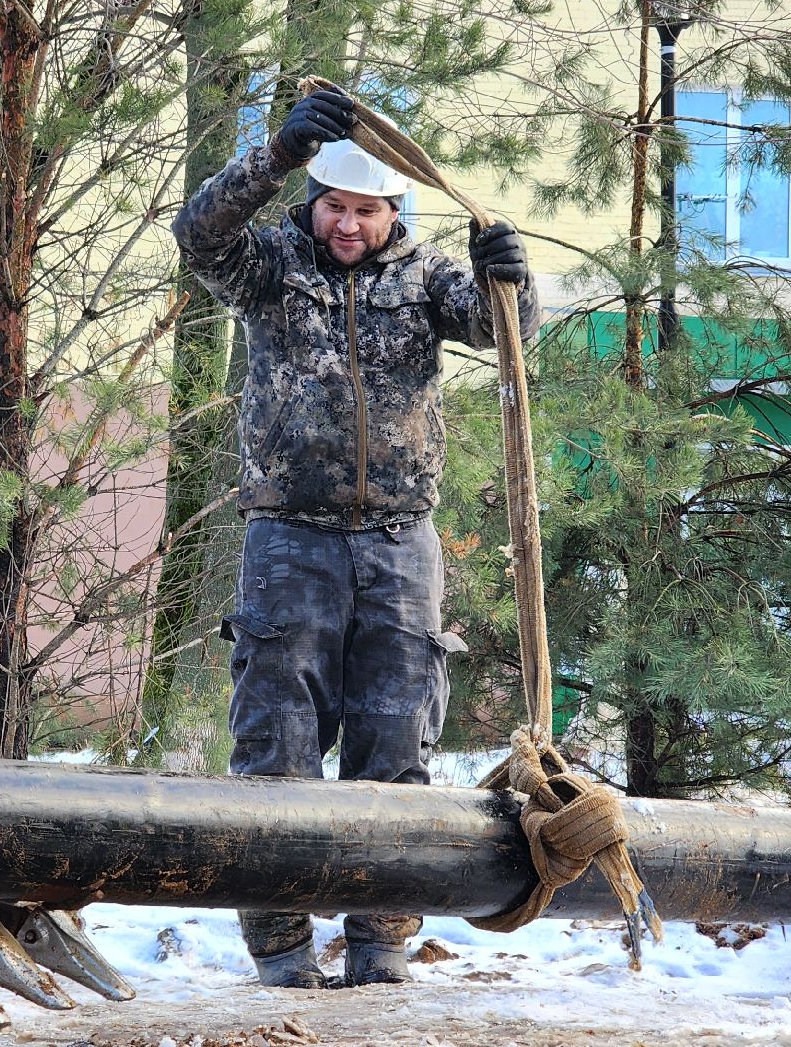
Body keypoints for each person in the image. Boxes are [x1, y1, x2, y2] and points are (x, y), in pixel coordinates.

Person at [171, 86, 537, 989]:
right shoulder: (270, 266)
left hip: (399, 545)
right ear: (314, 200)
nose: (347, 224)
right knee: (275, 745)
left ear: (392, 211)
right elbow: (197, 236)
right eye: (334, 205)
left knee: (394, 744)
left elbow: (510, 336)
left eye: (366, 210)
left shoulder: (427, 277)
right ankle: (282, 953)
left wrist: (514, 275)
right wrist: (275, 153)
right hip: (288, 538)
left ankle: (380, 948)